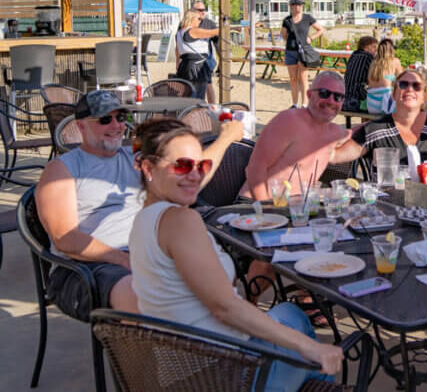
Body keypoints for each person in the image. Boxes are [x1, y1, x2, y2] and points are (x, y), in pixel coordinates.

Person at [130, 119, 342, 390]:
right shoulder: (181, 221)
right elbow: (225, 308)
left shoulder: (142, 220)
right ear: (148, 168)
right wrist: (312, 348)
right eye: (182, 165)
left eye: (201, 165)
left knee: (291, 313)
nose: (195, 175)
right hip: (227, 374)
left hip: (184, 370)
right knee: (312, 343)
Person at [35, 89, 242, 321]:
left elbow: (192, 174)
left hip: (148, 249)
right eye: (105, 119)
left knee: (218, 272)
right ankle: (147, 353)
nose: (116, 126)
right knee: (148, 299)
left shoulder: (135, 158)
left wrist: (225, 139)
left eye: (121, 118)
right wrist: (124, 259)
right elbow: (66, 239)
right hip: (88, 267)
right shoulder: (62, 169)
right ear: (80, 126)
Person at [242, 71, 350, 202]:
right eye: (324, 93)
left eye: (338, 97)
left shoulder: (334, 132)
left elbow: (355, 141)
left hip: (298, 208)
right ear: (309, 94)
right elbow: (255, 168)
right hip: (255, 204)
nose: (331, 101)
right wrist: (266, 209)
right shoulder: (289, 120)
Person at [335, 68, 427, 173]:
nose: (410, 89)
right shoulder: (375, 129)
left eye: (416, 86)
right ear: (393, 94)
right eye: (403, 84)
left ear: (424, 97)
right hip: (387, 203)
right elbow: (336, 156)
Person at [281, 0, 324, 110]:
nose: (300, 7)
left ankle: (304, 104)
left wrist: (311, 38)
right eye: (297, 4)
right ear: (291, 6)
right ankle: (295, 104)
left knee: (303, 78)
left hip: (303, 51)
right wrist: (289, 41)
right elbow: (284, 35)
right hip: (290, 51)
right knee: (293, 79)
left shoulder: (307, 18)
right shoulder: (287, 20)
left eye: (301, 5)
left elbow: (320, 29)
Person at [176, 9, 219, 99]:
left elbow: (177, 50)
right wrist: (232, 28)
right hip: (196, 66)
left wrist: (177, 62)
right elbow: (215, 32)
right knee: (197, 98)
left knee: (188, 96)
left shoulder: (180, 32)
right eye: (199, 18)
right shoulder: (193, 31)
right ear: (191, 19)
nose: (201, 21)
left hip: (185, 65)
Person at [365, 38, 402, 114]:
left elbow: (369, 81)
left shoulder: (373, 63)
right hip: (385, 106)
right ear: (392, 49)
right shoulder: (395, 61)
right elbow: (402, 80)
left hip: (371, 105)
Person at [192, 0, 219, 103]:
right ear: (193, 11)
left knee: (208, 84)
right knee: (192, 87)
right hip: (190, 62)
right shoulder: (185, 24)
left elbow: (217, 42)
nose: (203, 12)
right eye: (200, 10)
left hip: (205, 60)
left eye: (204, 9)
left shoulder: (209, 23)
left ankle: (212, 108)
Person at [342, 36, 378, 112]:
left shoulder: (353, 55)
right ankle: (368, 123)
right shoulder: (368, 57)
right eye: (374, 47)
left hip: (346, 98)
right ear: (366, 48)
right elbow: (374, 79)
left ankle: (365, 123)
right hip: (357, 99)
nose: (376, 50)